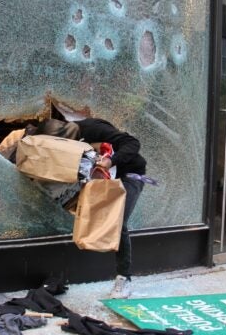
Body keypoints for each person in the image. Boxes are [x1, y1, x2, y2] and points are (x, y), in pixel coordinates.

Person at [35, 117, 147, 299]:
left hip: (128, 174)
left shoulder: (91, 128)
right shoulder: (56, 144)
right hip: (96, 179)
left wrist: (112, 160)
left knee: (118, 219)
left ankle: (123, 277)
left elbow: (132, 143)